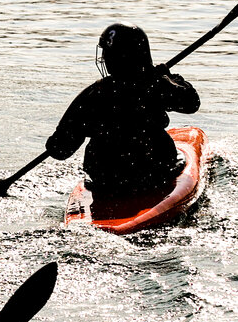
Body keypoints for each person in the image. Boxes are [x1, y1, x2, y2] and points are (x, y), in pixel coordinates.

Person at [46, 22, 201, 196]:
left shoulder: (92, 94)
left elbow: (60, 150)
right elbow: (191, 103)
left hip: (107, 180)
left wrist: (68, 135)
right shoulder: (156, 84)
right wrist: (169, 77)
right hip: (154, 173)